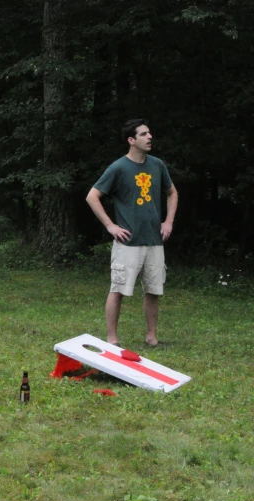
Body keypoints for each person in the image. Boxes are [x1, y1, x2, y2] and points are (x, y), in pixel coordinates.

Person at [86, 119, 178, 347]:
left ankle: (151, 338)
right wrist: (110, 225)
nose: (150, 137)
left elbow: (172, 192)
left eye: (150, 133)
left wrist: (168, 221)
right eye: (144, 134)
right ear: (131, 140)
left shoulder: (157, 165)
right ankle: (112, 340)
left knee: (154, 290)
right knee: (118, 290)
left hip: (154, 241)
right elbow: (92, 196)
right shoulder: (118, 168)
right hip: (128, 243)